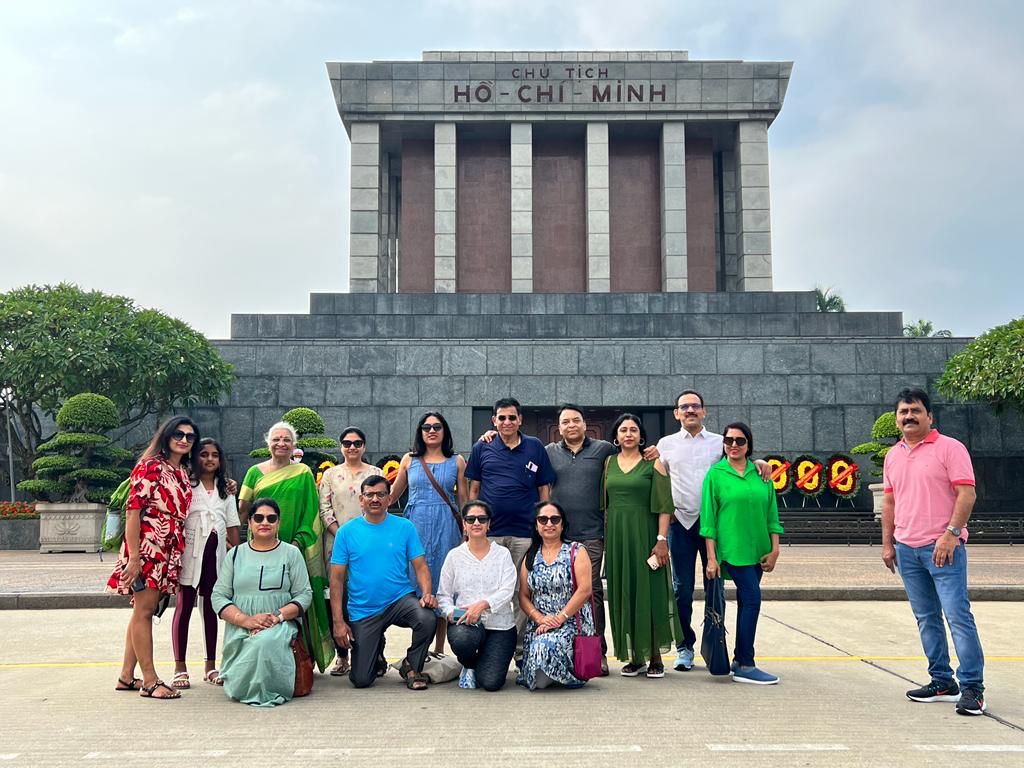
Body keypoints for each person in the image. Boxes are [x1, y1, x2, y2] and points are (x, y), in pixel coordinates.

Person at [881, 387, 986, 715]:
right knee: (926, 618)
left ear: (930, 416)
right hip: (907, 550)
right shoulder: (893, 455)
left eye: (915, 411)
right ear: (897, 419)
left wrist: (951, 534)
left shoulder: (949, 448)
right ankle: (942, 681)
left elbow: (966, 493)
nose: (908, 416)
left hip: (943, 548)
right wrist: (888, 543)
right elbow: (890, 501)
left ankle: (973, 688)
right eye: (903, 412)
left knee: (957, 616)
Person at [656, 389, 771, 671]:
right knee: (681, 590)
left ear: (704, 411)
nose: (690, 410)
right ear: (676, 413)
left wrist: (759, 462)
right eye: (684, 407)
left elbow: (738, 460)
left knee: (715, 588)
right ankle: (685, 647)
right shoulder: (665, 445)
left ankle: (715, 643)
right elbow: (657, 480)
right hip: (680, 524)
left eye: (695, 406)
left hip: (714, 529)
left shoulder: (720, 442)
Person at [544, 403, 660, 676]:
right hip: (559, 537)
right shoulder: (548, 452)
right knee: (561, 594)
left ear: (585, 424)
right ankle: (566, 649)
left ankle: (597, 653)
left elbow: (632, 453)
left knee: (592, 593)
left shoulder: (604, 451)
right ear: (558, 428)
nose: (571, 425)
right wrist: (488, 437)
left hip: (592, 535)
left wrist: (654, 450)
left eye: (576, 420)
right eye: (565, 422)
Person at [106, 416, 199, 699]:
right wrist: (134, 557)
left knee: (142, 611)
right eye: (178, 434)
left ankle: (126, 675)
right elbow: (133, 511)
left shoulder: (181, 471)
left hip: (169, 548)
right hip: (148, 546)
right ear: (166, 435)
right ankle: (149, 680)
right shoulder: (151, 467)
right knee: (145, 611)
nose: (184, 440)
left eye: (190, 437)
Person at [239, 421, 332, 673]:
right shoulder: (254, 472)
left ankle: (299, 657)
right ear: (267, 442)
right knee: (262, 597)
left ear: (294, 445)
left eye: (287, 440)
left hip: (295, 548)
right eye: (276, 439)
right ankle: (257, 654)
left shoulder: (302, 473)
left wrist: (296, 543)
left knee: (296, 601)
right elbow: (243, 507)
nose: (281, 444)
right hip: (260, 548)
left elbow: (311, 514)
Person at [329, 475, 438, 690]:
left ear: (389, 499)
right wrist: (338, 622)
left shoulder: (404, 527)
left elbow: (421, 566)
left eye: (381, 494)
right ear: (361, 499)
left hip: (400, 600)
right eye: (369, 495)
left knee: (426, 617)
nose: (375, 499)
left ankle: (412, 665)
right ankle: (376, 650)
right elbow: (336, 580)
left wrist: (426, 593)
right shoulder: (346, 532)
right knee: (361, 680)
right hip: (364, 609)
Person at [466, 397, 556, 655]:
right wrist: (472, 526)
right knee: (490, 590)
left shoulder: (535, 447)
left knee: (521, 590)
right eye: (501, 418)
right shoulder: (482, 447)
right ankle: (486, 647)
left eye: (512, 417)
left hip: (524, 533)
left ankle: (517, 649)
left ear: (520, 420)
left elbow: (544, 488)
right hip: (490, 534)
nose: (507, 422)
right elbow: (474, 489)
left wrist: (544, 522)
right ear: (494, 420)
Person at [702, 421, 783, 685]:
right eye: (729, 441)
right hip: (732, 550)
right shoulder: (716, 474)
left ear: (749, 445)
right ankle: (746, 663)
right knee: (753, 600)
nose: (733, 445)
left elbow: (772, 513)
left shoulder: (761, 474)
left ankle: (739, 658)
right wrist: (712, 558)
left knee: (748, 603)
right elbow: (709, 520)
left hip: (758, 550)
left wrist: (775, 548)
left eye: (740, 441)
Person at [211, 498, 313, 707]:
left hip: (280, 623)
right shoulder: (235, 554)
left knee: (264, 643)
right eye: (258, 518)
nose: (264, 522)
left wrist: (276, 616)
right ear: (249, 522)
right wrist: (246, 620)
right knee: (253, 643)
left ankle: (270, 690)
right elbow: (218, 596)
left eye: (271, 518)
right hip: (241, 624)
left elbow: (304, 594)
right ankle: (242, 684)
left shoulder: (291, 553)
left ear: (278, 523)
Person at [603, 412, 679, 678]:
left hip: (646, 534)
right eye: (623, 430)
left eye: (633, 430)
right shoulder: (608, 462)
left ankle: (655, 655)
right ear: (616, 436)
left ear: (641, 435)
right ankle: (635, 656)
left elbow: (664, 506)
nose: (628, 434)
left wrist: (661, 540)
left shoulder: (654, 464)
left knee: (650, 592)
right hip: (618, 537)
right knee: (625, 592)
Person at [389, 411, 467, 656]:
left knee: (444, 584)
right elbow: (391, 495)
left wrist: (467, 527)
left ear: (445, 431)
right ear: (420, 432)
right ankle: (419, 644)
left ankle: (440, 648)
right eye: (426, 427)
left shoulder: (457, 461)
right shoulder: (409, 460)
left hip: (447, 526)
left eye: (437, 426)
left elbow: (464, 498)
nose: (431, 431)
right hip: (415, 526)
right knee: (415, 582)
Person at [171, 438, 240, 689]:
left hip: (217, 556)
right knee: (184, 606)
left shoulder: (226, 490)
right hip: (190, 554)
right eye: (204, 454)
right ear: (195, 458)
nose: (209, 459)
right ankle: (180, 667)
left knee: (211, 608)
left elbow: (232, 525)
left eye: (214, 455)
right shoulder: (186, 485)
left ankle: (210, 666)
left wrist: (237, 555)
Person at [317, 426, 383, 676]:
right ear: (340, 446)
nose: (352, 447)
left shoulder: (375, 472)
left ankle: (375, 652)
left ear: (364, 446)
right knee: (338, 598)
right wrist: (343, 536)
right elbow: (325, 510)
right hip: (337, 543)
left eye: (357, 443)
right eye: (347, 443)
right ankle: (343, 655)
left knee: (371, 596)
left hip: (371, 545)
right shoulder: (331, 475)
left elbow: (379, 505)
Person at [437, 500, 517, 691]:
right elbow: (443, 595)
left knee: (490, 683)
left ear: (489, 524)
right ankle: (469, 663)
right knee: (463, 639)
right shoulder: (454, 556)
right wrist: (451, 613)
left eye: (482, 519)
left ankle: (485, 662)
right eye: (470, 519)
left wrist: (483, 604)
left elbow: (507, 590)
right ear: (464, 524)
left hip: (500, 626)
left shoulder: (503, 554)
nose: (476, 523)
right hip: (466, 624)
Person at [517, 501, 595, 690]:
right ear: (536, 525)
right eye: (543, 519)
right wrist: (540, 618)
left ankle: (559, 673)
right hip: (540, 625)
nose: (549, 524)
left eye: (555, 519)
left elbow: (585, 590)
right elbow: (523, 596)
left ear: (562, 524)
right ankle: (546, 672)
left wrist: (560, 618)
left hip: (570, 622)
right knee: (539, 664)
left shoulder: (577, 551)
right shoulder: (530, 555)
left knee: (543, 650)